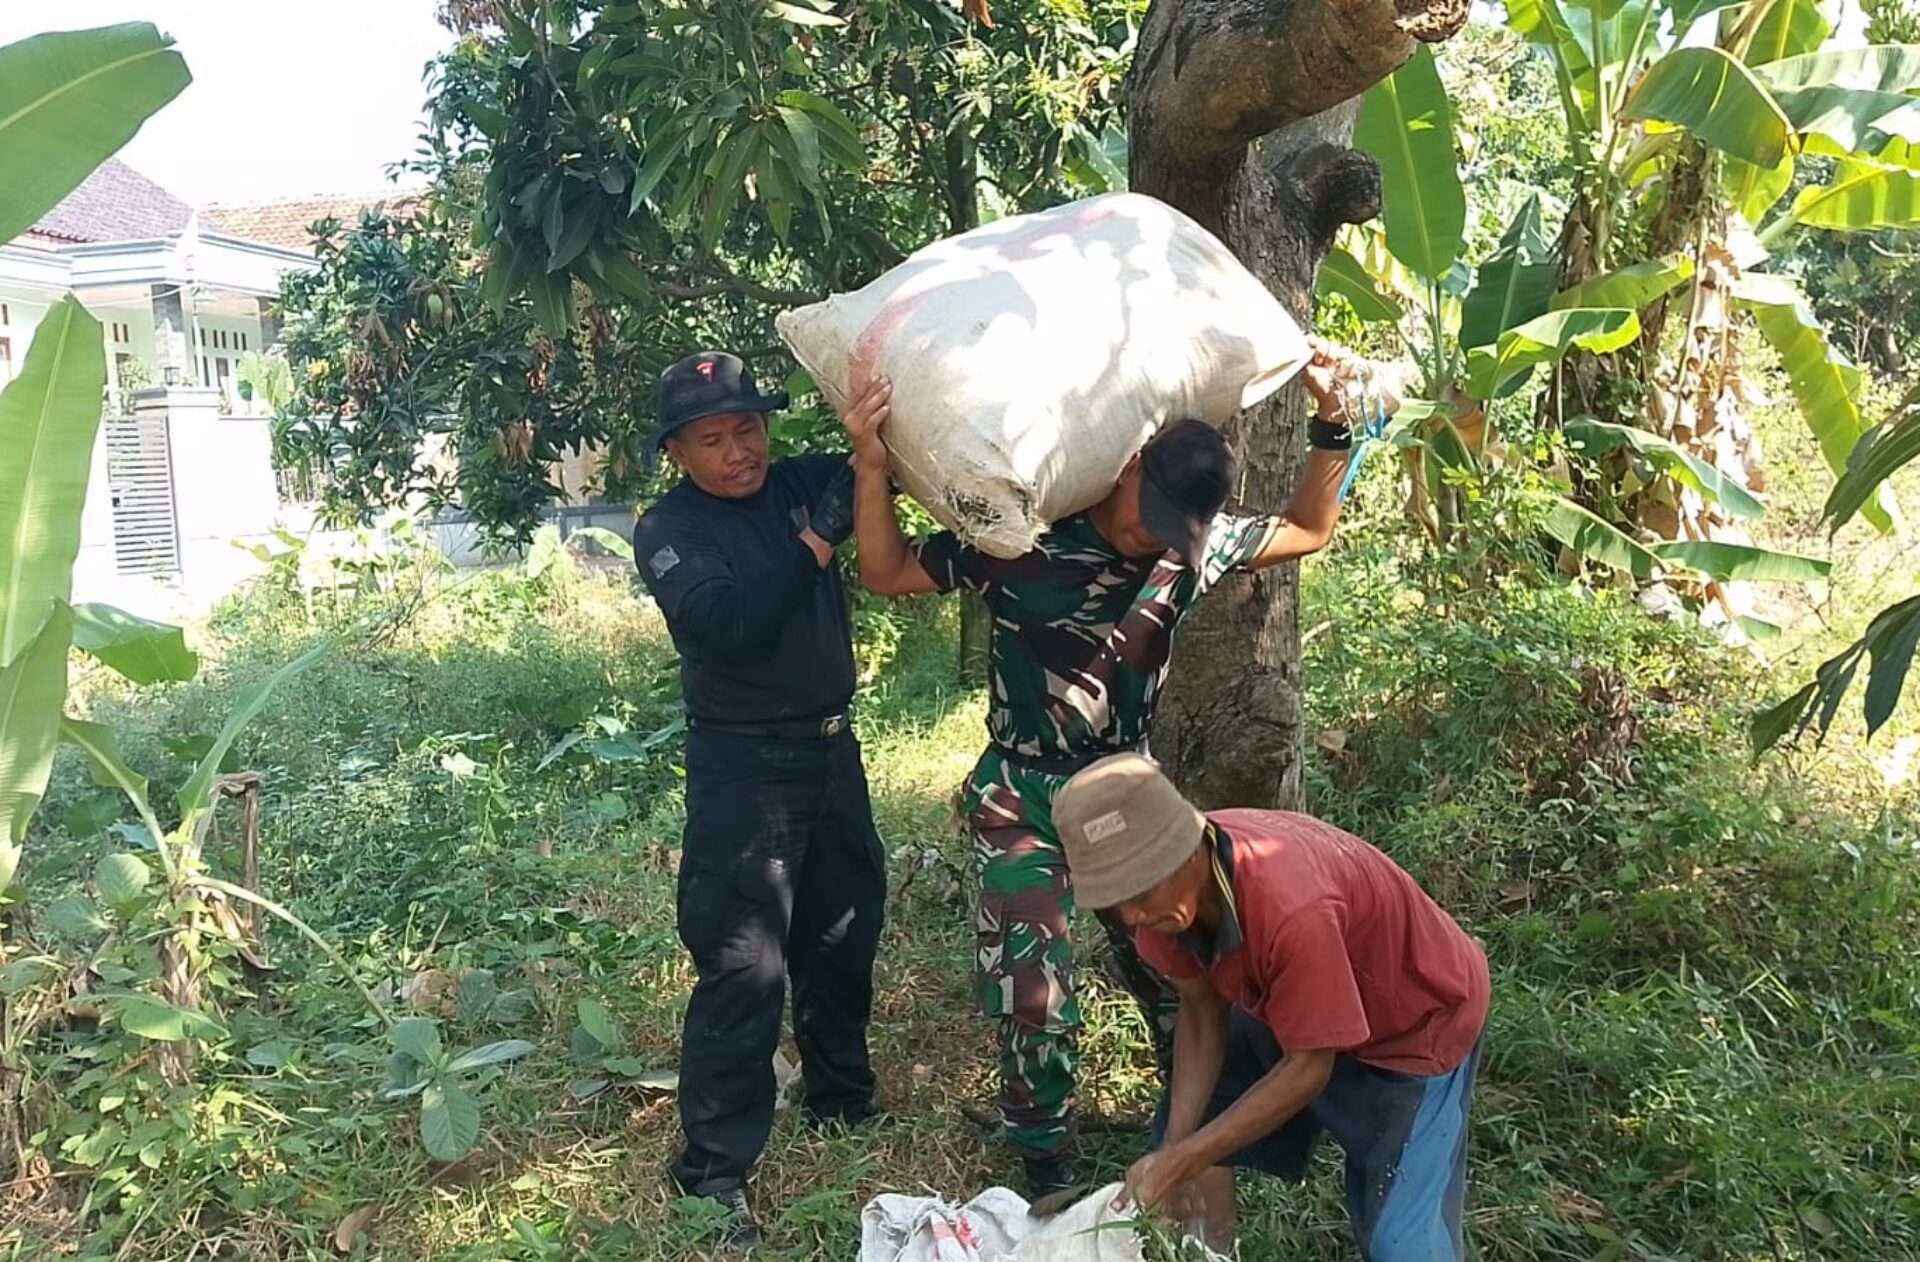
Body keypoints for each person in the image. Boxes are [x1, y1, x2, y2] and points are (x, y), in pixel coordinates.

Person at [833, 344, 1391, 1196]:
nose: (1150, 537)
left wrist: (1331, 422)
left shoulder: (1193, 549)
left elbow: (1312, 529)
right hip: (1022, 793)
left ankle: (1192, 1145)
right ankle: (1043, 1163)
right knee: (1033, 992)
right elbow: (882, 571)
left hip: (1130, 794)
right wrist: (872, 464)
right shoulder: (1018, 539)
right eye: (1146, 513)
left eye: (1173, 528)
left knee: (1185, 981)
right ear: (1125, 466)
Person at [633, 351, 885, 1248]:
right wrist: (817, 540)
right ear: (678, 450)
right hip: (744, 767)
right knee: (744, 965)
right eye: (713, 438)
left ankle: (842, 1101)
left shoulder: (799, 482)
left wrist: (865, 444)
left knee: (845, 927)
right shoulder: (669, 529)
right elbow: (729, 626)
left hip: (830, 749)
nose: (738, 451)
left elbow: (879, 463)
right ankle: (712, 1173)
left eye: (749, 429)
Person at [1053, 753, 1490, 1259]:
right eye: (1113, 899)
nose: (1130, 915)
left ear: (1188, 851)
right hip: (1289, 998)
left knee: (1401, 1244)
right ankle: (1205, 1248)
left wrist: (1186, 1156)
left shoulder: (1292, 908)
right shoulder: (1160, 910)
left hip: (1416, 1022)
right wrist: (1175, 1150)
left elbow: (1309, 1067)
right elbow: (1200, 1010)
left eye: (1139, 891)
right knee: (1181, 1135)